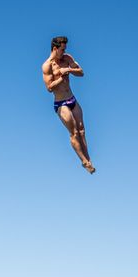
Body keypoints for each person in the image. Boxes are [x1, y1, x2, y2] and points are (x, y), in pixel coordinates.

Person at [42, 36, 95, 174]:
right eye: (62, 49)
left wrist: (69, 70)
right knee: (74, 132)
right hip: (60, 103)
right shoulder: (47, 65)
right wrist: (60, 78)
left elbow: (81, 72)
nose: (64, 51)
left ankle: (89, 160)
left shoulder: (67, 58)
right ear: (55, 48)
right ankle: (83, 161)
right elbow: (49, 87)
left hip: (72, 99)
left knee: (82, 130)